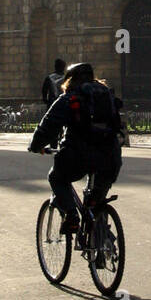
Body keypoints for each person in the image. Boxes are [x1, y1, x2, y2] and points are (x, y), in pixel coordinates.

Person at [28, 62, 123, 234]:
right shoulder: (106, 95)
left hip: (79, 155)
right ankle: (101, 238)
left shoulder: (70, 98)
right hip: (111, 156)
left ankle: (72, 216)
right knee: (96, 200)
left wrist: (36, 145)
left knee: (56, 177)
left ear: (69, 80)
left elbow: (48, 126)